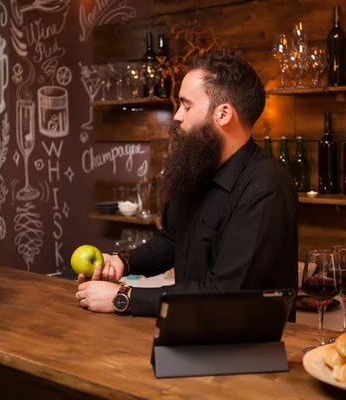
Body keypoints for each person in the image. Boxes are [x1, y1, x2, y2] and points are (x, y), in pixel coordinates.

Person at [76, 49, 298, 318]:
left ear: (223, 114)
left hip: (244, 348)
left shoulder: (266, 187)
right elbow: (171, 241)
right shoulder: (197, 168)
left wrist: (124, 297)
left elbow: (223, 293)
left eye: (187, 105)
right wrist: (123, 262)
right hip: (190, 331)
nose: (178, 116)